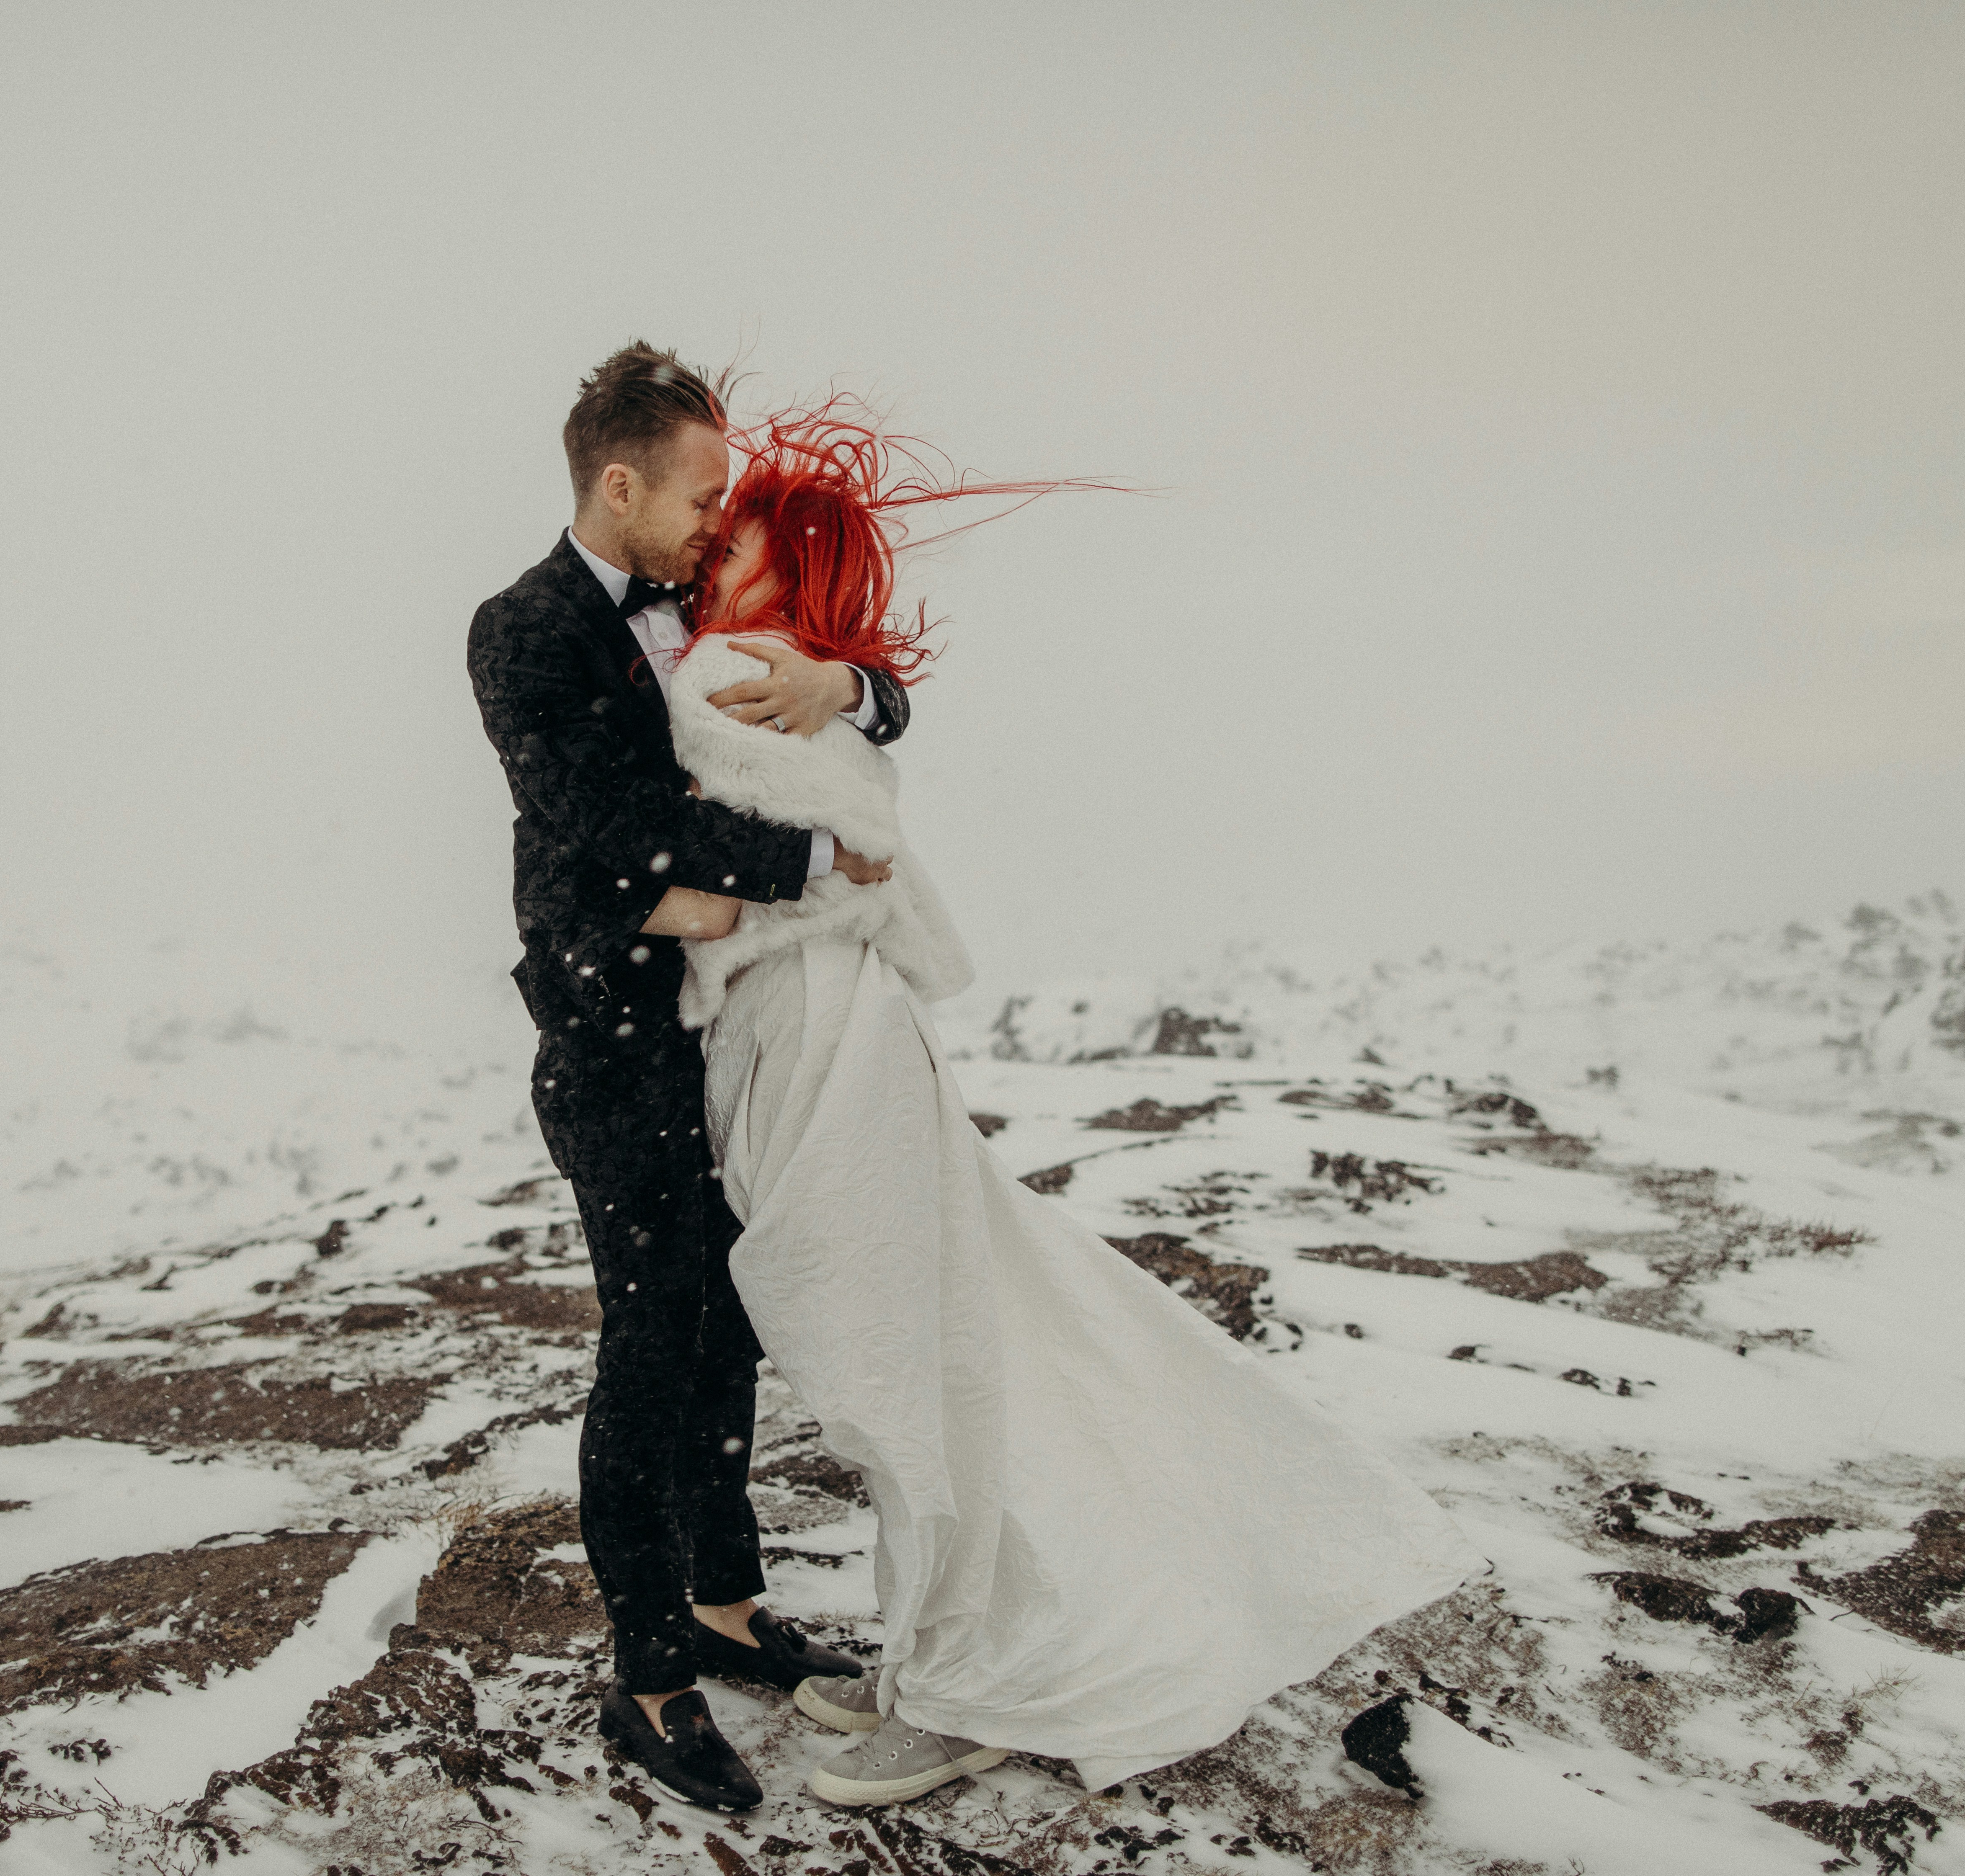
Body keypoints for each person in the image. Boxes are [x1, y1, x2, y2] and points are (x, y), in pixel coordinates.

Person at [653, 402, 1488, 1808]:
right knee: (926, 1356)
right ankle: (942, 1655)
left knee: (888, 1369)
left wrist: (830, 738)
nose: (704, 551)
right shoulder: (791, 672)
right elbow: (862, 857)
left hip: (818, 1040)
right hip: (837, 1030)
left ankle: (987, 1680)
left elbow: (832, 853)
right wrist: (854, 700)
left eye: (729, 536)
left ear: (773, 568)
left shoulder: (732, 671)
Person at [466, 343, 908, 1812]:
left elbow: (874, 689)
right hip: (612, 1048)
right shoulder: (523, 630)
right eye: (702, 490)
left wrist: (844, 684)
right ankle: (649, 1675)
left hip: (732, 1034)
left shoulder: (699, 604)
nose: (721, 517)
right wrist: (805, 861)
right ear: (618, 479)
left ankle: (727, 1609)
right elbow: (600, 820)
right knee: (652, 1348)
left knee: (729, 1330)